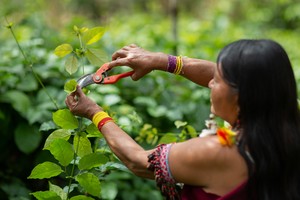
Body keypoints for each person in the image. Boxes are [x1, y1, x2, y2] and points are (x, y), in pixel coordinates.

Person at [65, 39, 300, 200]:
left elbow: (137, 160)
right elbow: (242, 78)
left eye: (217, 80)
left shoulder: (218, 152)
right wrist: (160, 61)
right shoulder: (286, 124)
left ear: (241, 97)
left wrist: (94, 112)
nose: (209, 83)